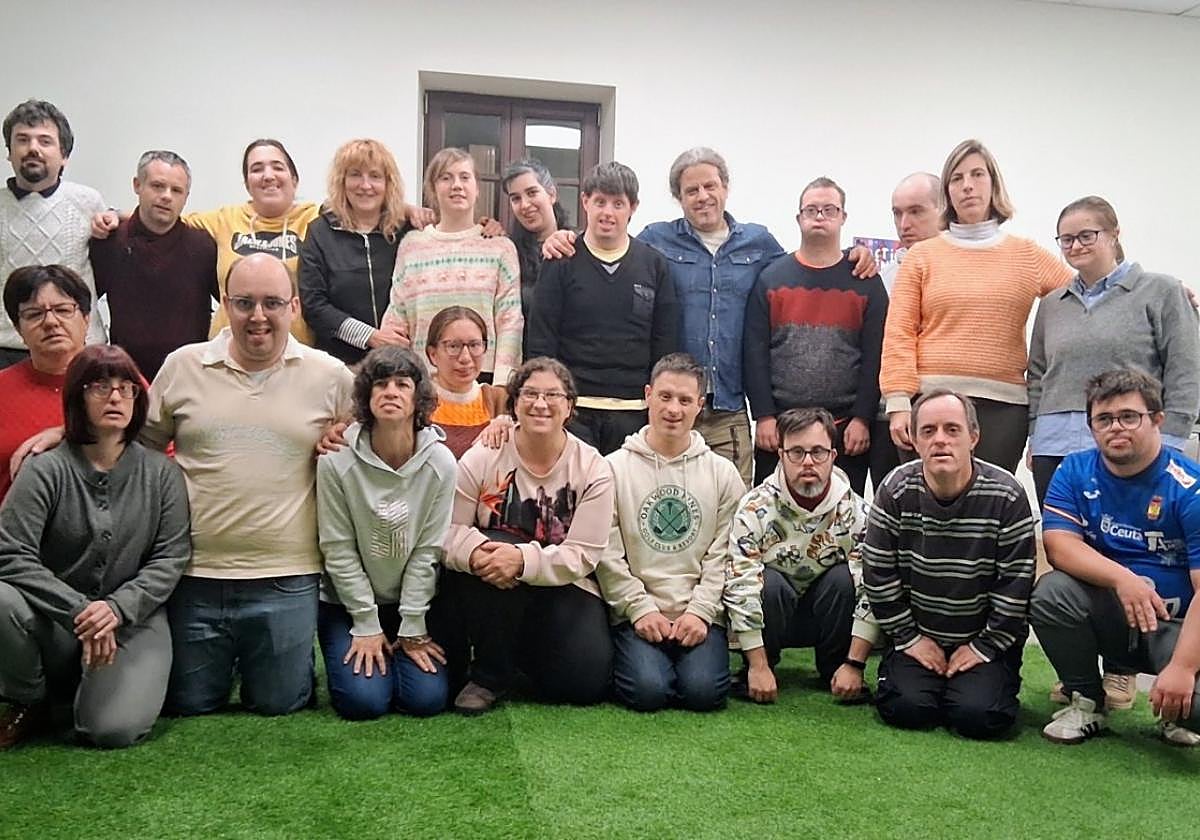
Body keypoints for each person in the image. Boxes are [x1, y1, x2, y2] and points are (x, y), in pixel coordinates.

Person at [144, 253, 353, 716]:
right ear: (224, 305)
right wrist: (64, 432)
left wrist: (343, 439)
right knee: (190, 704)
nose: (258, 316)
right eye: (244, 303)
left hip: (287, 577)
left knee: (279, 704)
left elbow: (381, 433)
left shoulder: (331, 376)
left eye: (272, 303)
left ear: (294, 307)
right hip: (194, 576)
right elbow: (136, 448)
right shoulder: (182, 367)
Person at [0, 345, 190, 749]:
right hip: (54, 616)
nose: (116, 396)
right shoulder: (45, 468)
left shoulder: (162, 474)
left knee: (110, 730)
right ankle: (27, 697)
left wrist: (116, 609)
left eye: (127, 388)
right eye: (101, 386)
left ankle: (76, 692)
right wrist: (80, 610)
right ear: (77, 397)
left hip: (133, 620)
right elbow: (10, 552)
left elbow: (170, 557)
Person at [880, 139, 1074, 473]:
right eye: (957, 178)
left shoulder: (1027, 255)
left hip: (1002, 411)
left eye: (977, 175)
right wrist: (898, 402)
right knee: (928, 510)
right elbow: (899, 333)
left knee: (990, 510)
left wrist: (1163, 291)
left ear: (993, 184)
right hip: (928, 404)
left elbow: (1088, 293)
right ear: (947, 192)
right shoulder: (921, 257)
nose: (968, 186)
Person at [1032, 369, 1200, 747]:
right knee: (1052, 592)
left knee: (1193, 699)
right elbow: (1058, 544)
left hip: (1176, 628)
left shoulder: (1191, 487)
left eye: (1129, 417)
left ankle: (1174, 715)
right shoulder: (1074, 470)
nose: (1116, 428)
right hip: (1110, 616)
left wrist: (1184, 667)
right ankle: (1088, 700)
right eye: (1104, 419)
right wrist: (1123, 579)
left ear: (1157, 419)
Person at [441, 357, 614, 713]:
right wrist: (477, 553)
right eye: (530, 393)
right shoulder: (484, 454)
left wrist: (522, 560)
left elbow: (583, 553)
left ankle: (524, 655)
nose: (540, 403)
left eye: (553, 395)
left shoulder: (593, 467)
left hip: (563, 585)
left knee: (583, 684)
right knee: (499, 545)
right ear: (515, 402)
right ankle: (489, 675)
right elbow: (446, 530)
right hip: (492, 582)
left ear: (570, 406)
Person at [863, 389, 1036, 739]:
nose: (940, 440)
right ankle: (920, 679)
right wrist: (909, 639)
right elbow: (878, 575)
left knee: (979, 717)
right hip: (918, 636)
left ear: (973, 437)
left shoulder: (1007, 495)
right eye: (928, 431)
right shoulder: (894, 490)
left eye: (952, 429)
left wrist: (982, 647)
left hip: (984, 639)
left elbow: (1016, 586)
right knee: (907, 709)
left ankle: (974, 685)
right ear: (912, 439)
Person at [1029, 196, 1200, 505]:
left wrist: (1171, 439)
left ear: (1113, 235)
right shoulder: (1051, 305)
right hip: (1053, 447)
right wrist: (1034, 437)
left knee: (1131, 542)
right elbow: (1038, 375)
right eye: (1066, 239)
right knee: (1061, 539)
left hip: (1130, 440)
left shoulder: (1162, 292)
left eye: (1087, 235)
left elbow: (1185, 369)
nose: (1076, 246)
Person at [597, 353, 744, 712]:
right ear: (647, 395)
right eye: (664, 397)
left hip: (698, 615)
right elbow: (606, 551)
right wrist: (640, 609)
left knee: (703, 694)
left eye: (684, 400)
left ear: (700, 405)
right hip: (637, 615)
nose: (673, 409)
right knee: (648, 693)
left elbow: (726, 553)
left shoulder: (723, 474)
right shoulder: (611, 469)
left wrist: (701, 612)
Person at [316, 346, 456, 720]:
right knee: (365, 703)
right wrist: (365, 622)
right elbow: (338, 549)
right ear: (366, 396)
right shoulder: (335, 461)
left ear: (418, 398)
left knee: (425, 701)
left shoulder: (441, 463)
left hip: (412, 605)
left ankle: (399, 647)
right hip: (346, 606)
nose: (390, 392)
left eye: (402, 384)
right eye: (380, 384)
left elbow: (429, 551)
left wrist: (412, 625)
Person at [743, 176, 886, 491]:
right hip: (780, 429)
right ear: (799, 218)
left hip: (846, 432)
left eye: (829, 210)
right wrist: (763, 415)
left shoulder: (866, 282)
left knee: (843, 524)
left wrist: (862, 417)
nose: (819, 216)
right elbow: (754, 354)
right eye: (811, 210)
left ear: (843, 217)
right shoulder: (771, 279)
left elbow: (876, 356)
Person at [725, 407, 875, 704]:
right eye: (796, 452)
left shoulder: (857, 512)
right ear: (781, 455)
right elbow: (739, 583)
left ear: (833, 456)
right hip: (774, 613)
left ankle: (836, 668)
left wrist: (855, 664)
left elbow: (871, 586)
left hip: (828, 617)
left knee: (843, 580)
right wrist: (757, 665)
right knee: (768, 582)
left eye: (818, 452)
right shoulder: (754, 508)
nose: (808, 462)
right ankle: (761, 666)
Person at [528, 161, 679, 455]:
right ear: (585, 202)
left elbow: (665, 343)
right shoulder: (561, 260)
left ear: (633, 207)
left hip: (634, 413)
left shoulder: (654, 265)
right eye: (600, 202)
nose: (607, 212)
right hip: (573, 412)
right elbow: (541, 340)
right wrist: (550, 400)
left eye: (618, 203)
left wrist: (656, 405)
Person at [383, 148, 521, 385]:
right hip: (423, 379)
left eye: (465, 177)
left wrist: (502, 382)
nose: (457, 185)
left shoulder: (500, 248)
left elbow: (510, 319)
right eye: (446, 178)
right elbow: (397, 315)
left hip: (482, 381)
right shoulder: (411, 246)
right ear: (433, 189)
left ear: (477, 189)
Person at [88, 150, 217, 379]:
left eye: (176, 190)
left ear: (186, 196)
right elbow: (84, 303)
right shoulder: (110, 242)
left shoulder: (203, 246)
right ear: (137, 185)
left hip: (189, 375)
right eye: (157, 186)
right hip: (124, 376)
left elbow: (230, 303)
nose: (166, 196)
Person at [1, 99, 105, 367]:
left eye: (44, 141)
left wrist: (117, 216)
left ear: (64, 155)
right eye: (22, 140)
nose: (32, 148)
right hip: (6, 348)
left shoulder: (88, 202)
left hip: (78, 348)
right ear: (9, 152)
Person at [298, 139, 413, 365]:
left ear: (389, 183)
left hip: (400, 366)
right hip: (339, 366)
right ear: (342, 181)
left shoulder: (408, 232)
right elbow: (313, 305)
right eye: (355, 174)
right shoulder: (320, 232)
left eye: (375, 176)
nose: (365, 185)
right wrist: (370, 336)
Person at [870, 172, 943, 487]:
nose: (904, 223)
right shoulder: (884, 276)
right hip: (887, 412)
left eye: (916, 211)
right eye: (897, 213)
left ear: (943, 209)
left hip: (939, 409)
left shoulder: (959, 270)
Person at [0, 265, 91, 504]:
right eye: (33, 314)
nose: (50, 322)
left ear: (86, 319)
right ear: (19, 330)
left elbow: (159, 459)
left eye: (63, 310)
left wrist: (68, 433)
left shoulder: (120, 383)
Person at [500, 158, 569, 355]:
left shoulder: (576, 246)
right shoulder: (509, 252)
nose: (525, 205)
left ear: (551, 194)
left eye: (532, 193)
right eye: (516, 198)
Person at [426, 306, 509, 459]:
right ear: (433, 354)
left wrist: (509, 425)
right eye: (453, 346)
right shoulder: (416, 401)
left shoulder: (500, 401)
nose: (465, 357)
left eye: (474, 345)